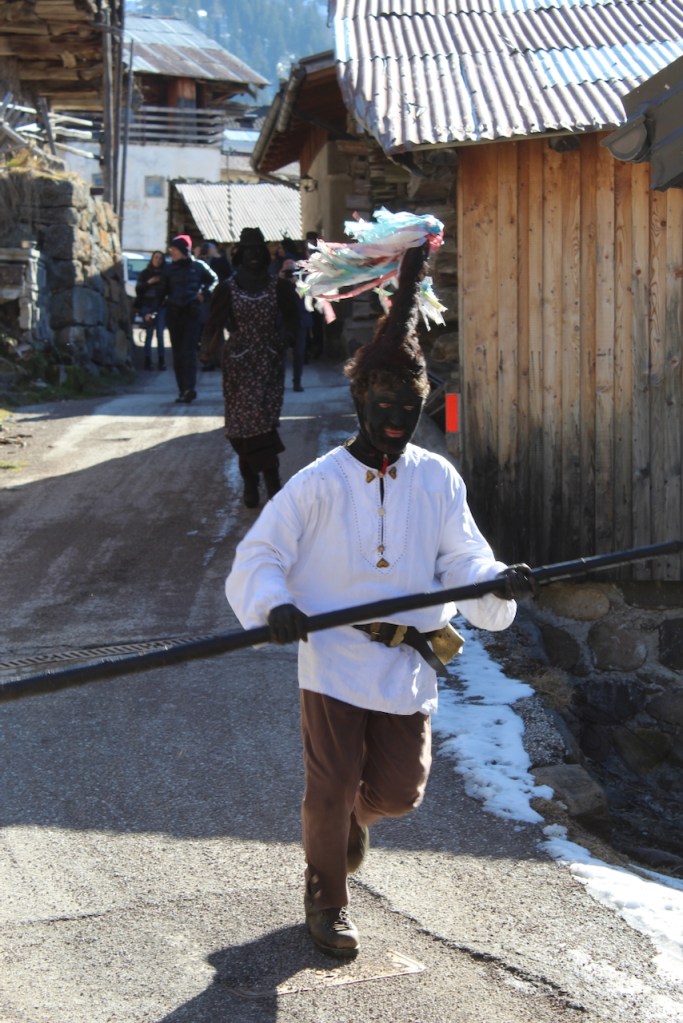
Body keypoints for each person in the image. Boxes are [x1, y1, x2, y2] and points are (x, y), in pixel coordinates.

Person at [225, 226, 538, 960]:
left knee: (400, 792)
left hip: (406, 659)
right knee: (329, 785)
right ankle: (327, 897)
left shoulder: (436, 476)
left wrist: (493, 580)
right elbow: (260, 554)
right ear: (361, 397)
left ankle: (353, 823)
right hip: (335, 654)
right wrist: (275, 606)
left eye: (411, 406)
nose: (397, 419)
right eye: (386, 402)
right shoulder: (320, 482)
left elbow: (463, 553)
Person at [205, 226, 298, 507]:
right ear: (239, 255)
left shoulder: (279, 287)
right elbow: (213, 324)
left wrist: (283, 340)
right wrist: (210, 351)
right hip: (239, 365)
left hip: (269, 362)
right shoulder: (226, 288)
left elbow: (294, 318)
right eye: (249, 251)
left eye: (259, 250)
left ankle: (266, 479)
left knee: (263, 422)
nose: (254, 255)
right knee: (241, 426)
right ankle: (257, 479)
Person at [161, 235, 217, 404]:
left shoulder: (198, 266)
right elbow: (161, 293)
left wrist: (205, 294)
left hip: (191, 314)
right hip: (174, 314)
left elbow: (214, 280)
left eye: (174, 249)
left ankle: (189, 389)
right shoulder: (168, 270)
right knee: (178, 354)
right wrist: (150, 311)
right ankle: (183, 390)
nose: (171, 252)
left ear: (182, 250)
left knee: (189, 352)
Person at [279, 257, 311, 392]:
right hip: (283, 322)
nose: (289, 268)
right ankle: (279, 382)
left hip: (299, 321)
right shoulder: (277, 282)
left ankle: (297, 382)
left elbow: (309, 295)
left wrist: (297, 282)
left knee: (299, 354)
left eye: (291, 266)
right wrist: (279, 280)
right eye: (286, 266)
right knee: (280, 354)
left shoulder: (302, 280)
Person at [134, 250, 167, 370]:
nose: (158, 260)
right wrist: (149, 282)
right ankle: (147, 361)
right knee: (148, 334)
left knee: (160, 334)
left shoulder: (165, 274)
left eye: (160, 258)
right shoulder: (145, 273)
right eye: (156, 257)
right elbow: (138, 289)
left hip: (160, 306)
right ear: (152, 259)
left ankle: (161, 361)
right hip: (147, 305)